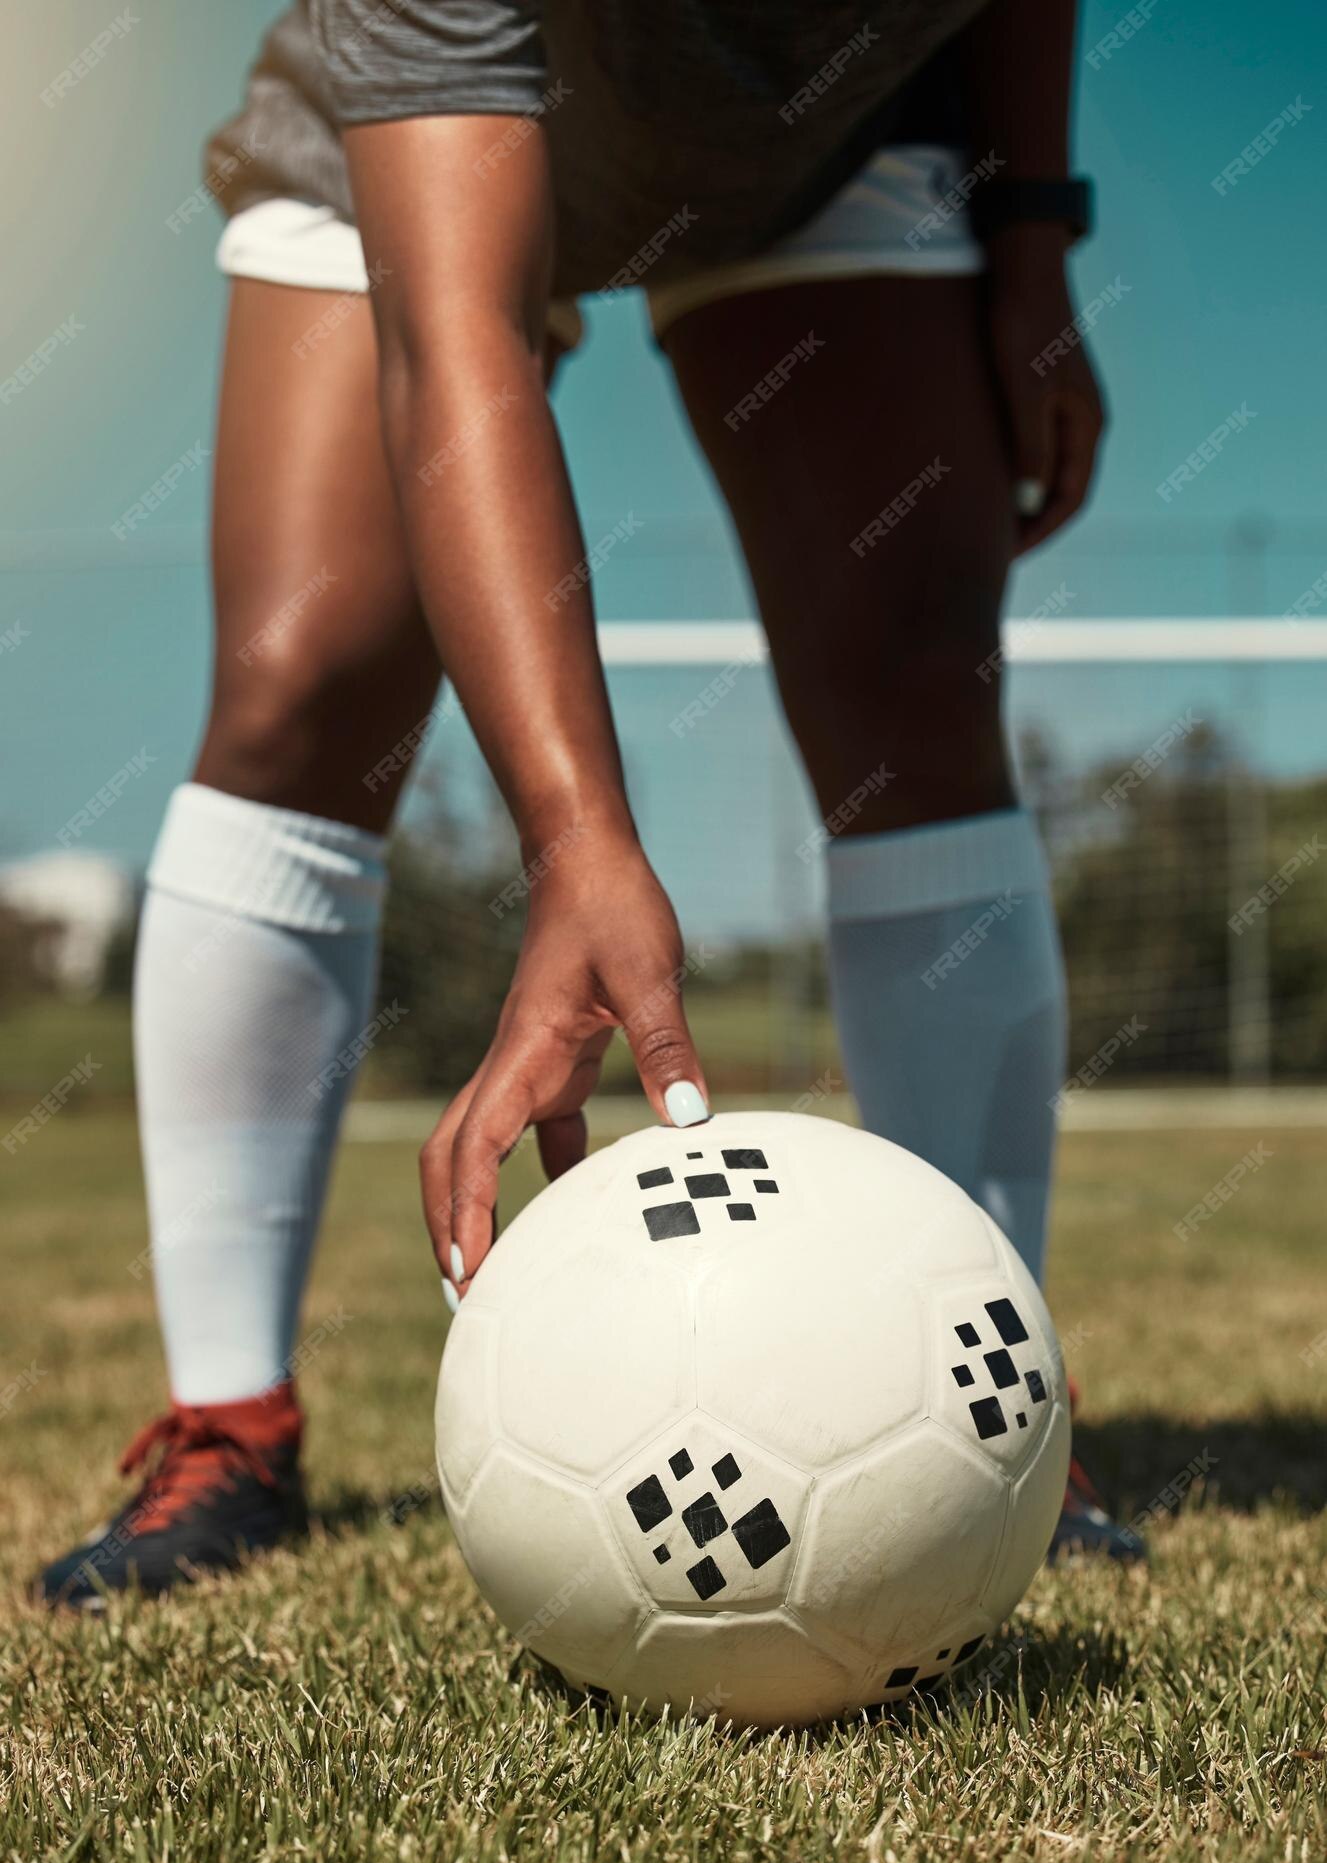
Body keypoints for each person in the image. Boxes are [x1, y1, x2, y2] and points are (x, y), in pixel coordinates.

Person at [38, 0, 1142, 1610]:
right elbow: (455, 336)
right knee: (302, 681)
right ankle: (230, 1420)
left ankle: (996, 1394)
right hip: (405, 141)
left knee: (915, 678)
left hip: (833, 129)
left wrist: (1032, 247)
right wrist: (579, 843)